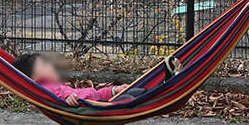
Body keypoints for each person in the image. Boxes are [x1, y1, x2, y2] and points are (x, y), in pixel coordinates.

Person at [12, 53, 148, 106]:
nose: (51, 66)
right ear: (33, 78)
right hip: (97, 110)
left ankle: (161, 90)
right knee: (132, 97)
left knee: (135, 92)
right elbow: (56, 97)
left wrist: (113, 90)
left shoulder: (59, 86)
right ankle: (162, 92)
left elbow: (93, 93)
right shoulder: (45, 88)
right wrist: (66, 99)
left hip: (101, 103)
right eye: (45, 64)